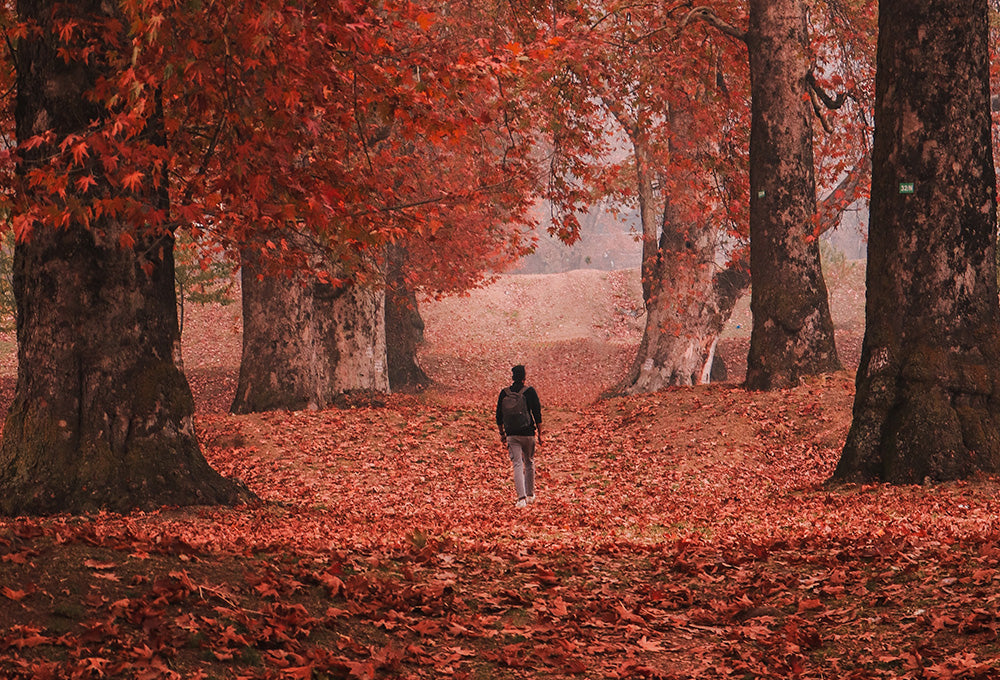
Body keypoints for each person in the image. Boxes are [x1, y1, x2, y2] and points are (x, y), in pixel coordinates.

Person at [496, 364, 543, 508]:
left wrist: (502, 434)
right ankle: (530, 495)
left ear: (512, 377)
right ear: (524, 377)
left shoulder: (504, 393)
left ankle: (521, 499)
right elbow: (537, 413)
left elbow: (498, 416)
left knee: (517, 463)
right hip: (528, 433)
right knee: (529, 461)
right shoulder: (530, 392)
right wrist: (540, 433)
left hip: (512, 434)